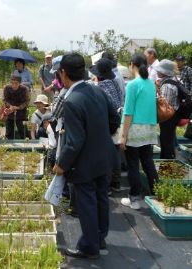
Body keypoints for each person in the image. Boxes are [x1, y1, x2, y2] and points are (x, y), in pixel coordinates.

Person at [53, 53, 120, 259]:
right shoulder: (96, 90)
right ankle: (99, 238)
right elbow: (114, 118)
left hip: (85, 162)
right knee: (101, 198)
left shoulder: (72, 100)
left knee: (87, 203)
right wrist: (99, 137)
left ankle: (89, 246)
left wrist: (61, 165)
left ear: (63, 73)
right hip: (105, 156)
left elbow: (74, 142)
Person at [120, 53, 159, 210]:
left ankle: (134, 199)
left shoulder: (132, 85)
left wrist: (123, 136)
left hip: (135, 130)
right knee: (148, 163)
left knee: (133, 165)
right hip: (150, 129)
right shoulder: (151, 83)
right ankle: (157, 194)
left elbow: (128, 112)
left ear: (131, 65)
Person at [89, 58, 123, 193]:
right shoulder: (114, 83)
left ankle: (107, 187)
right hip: (116, 122)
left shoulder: (100, 88)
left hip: (107, 125)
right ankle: (116, 183)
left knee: (106, 157)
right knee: (115, 155)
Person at [155, 59, 179, 159]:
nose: (157, 71)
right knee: (168, 139)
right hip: (172, 116)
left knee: (166, 142)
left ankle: (166, 164)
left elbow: (164, 105)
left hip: (168, 117)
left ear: (164, 72)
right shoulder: (173, 80)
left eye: (159, 70)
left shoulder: (167, 85)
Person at [3, 72, 30, 139]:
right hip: (9, 110)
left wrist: (19, 107)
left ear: (20, 83)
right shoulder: (6, 88)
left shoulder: (24, 89)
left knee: (23, 130)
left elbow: (27, 101)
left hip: (21, 111)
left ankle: (26, 144)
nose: (14, 85)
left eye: (16, 83)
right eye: (12, 83)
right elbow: (4, 99)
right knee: (9, 130)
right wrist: (10, 106)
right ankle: (9, 145)